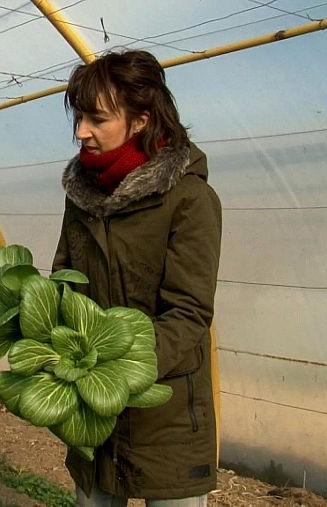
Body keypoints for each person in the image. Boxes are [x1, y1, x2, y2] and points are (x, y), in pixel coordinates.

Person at [52, 50, 222, 506]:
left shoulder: (189, 199)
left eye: (97, 119)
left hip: (165, 416)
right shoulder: (82, 197)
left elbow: (189, 312)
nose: (81, 131)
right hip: (92, 413)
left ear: (141, 121)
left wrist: (119, 371)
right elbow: (63, 281)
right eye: (79, 117)